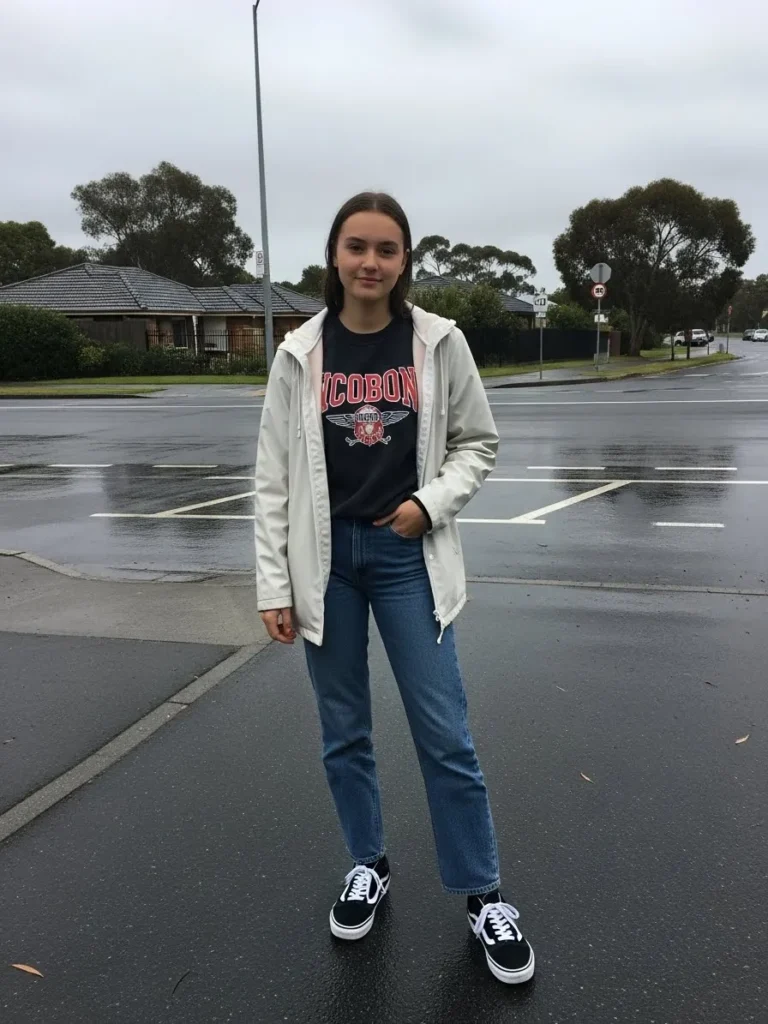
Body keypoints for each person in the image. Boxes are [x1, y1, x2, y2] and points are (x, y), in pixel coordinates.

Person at [254, 191, 534, 985]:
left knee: (445, 733)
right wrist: (274, 583)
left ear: (405, 259)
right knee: (344, 731)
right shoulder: (300, 352)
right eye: (357, 246)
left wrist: (428, 504)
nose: (370, 262)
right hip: (325, 561)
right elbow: (272, 477)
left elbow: (478, 442)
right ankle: (368, 864)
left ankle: (483, 894)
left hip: (408, 553)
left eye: (386, 248)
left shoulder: (439, 342)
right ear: (334, 255)